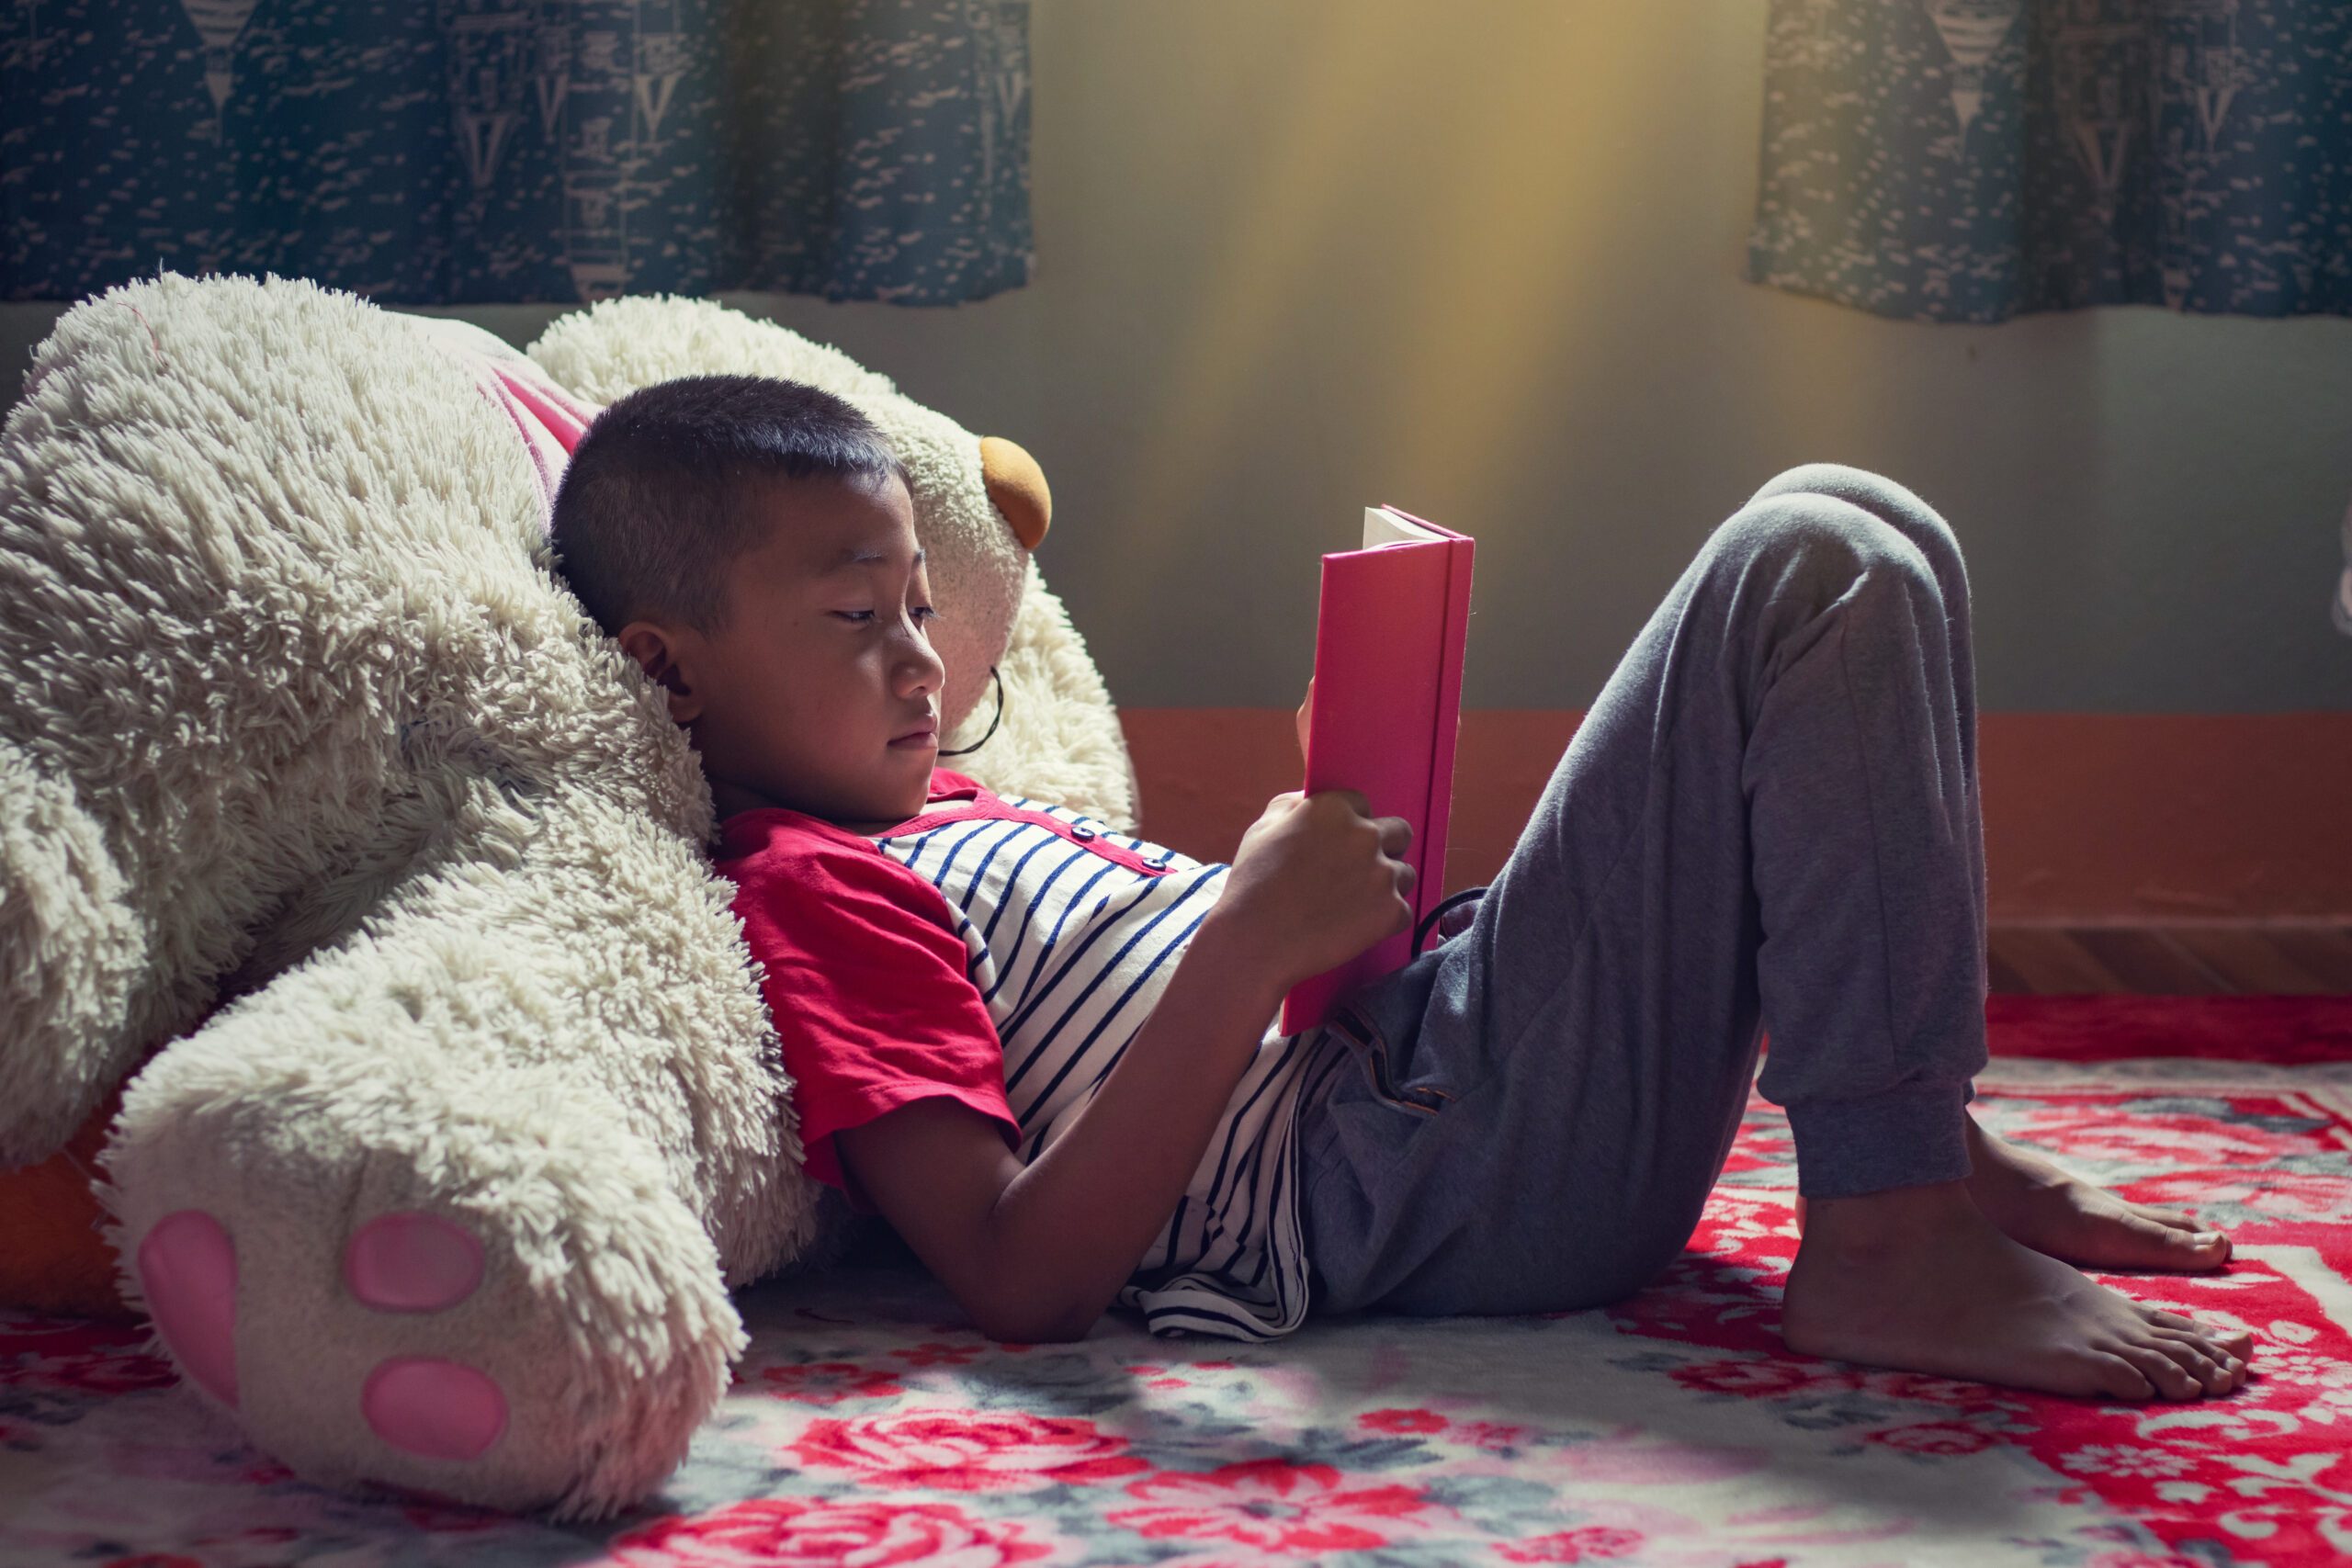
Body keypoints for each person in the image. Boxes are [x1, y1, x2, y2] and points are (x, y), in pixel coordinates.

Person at [548, 374, 2254, 1403]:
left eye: (922, 603)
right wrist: (1242, 938)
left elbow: (1174, 993)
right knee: (1811, 571)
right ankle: (1884, 1237)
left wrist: (1322, 839)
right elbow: (1013, 1273)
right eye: (858, 621)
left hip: (1418, 1057)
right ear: (669, 670)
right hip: (1401, 1173)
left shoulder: (958, 810)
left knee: (1857, 513)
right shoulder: (811, 892)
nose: (922, 659)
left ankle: (1907, 1132)